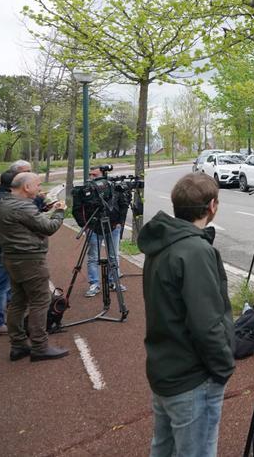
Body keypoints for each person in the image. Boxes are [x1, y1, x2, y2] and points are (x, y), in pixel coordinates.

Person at [139, 172, 234, 457]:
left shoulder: (163, 242)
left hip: (165, 367)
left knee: (163, 447)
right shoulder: (194, 250)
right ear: (212, 206)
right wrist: (223, 366)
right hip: (193, 377)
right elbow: (206, 323)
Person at [0, 171, 68, 362]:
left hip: (12, 258)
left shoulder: (5, 202)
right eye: (37, 185)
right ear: (26, 187)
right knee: (40, 301)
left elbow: (27, 222)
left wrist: (43, 211)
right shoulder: (22, 206)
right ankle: (40, 347)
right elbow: (48, 228)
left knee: (18, 302)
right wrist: (60, 211)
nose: (40, 189)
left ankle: (18, 345)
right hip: (30, 260)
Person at [0, 161, 47, 336]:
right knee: (0, 286)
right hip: (3, 249)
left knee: (9, 286)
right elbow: (39, 224)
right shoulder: (7, 202)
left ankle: (9, 315)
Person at [84, 166, 126, 297]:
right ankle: (94, 284)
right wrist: (85, 225)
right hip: (94, 228)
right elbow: (78, 208)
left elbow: (123, 204)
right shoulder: (87, 190)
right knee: (93, 257)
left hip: (113, 227)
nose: (91, 177)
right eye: (90, 174)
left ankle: (114, 281)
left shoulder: (113, 188)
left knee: (113, 256)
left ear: (103, 175)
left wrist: (120, 222)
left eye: (95, 175)